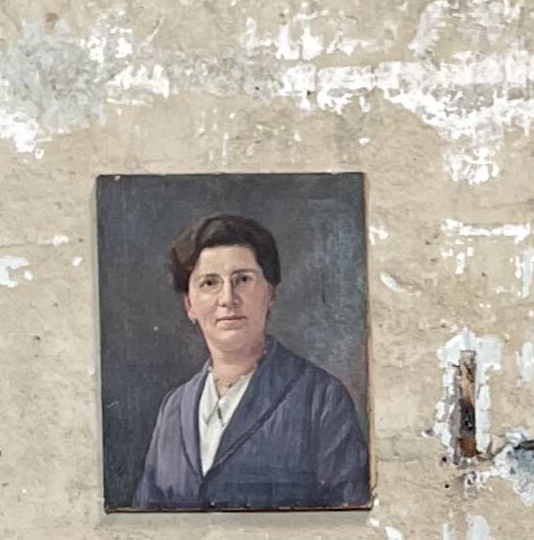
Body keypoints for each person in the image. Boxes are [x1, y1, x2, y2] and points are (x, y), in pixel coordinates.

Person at [133, 210, 371, 511]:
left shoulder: (321, 398)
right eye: (209, 283)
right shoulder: (174, 408)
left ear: (269, 293)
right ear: (189, 304)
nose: (227, 298)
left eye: (243, 280)